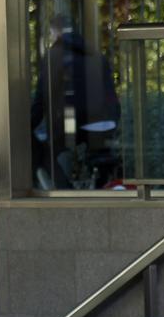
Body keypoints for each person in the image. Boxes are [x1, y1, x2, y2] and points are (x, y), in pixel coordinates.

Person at [30, 16, 121, 189]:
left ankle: (64, 193)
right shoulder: (94, 52)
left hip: (79, 123)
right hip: (110, 122)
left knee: (46, 152)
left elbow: (41, 99)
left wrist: (28, 126)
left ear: (54, 33)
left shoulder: (55, 55)